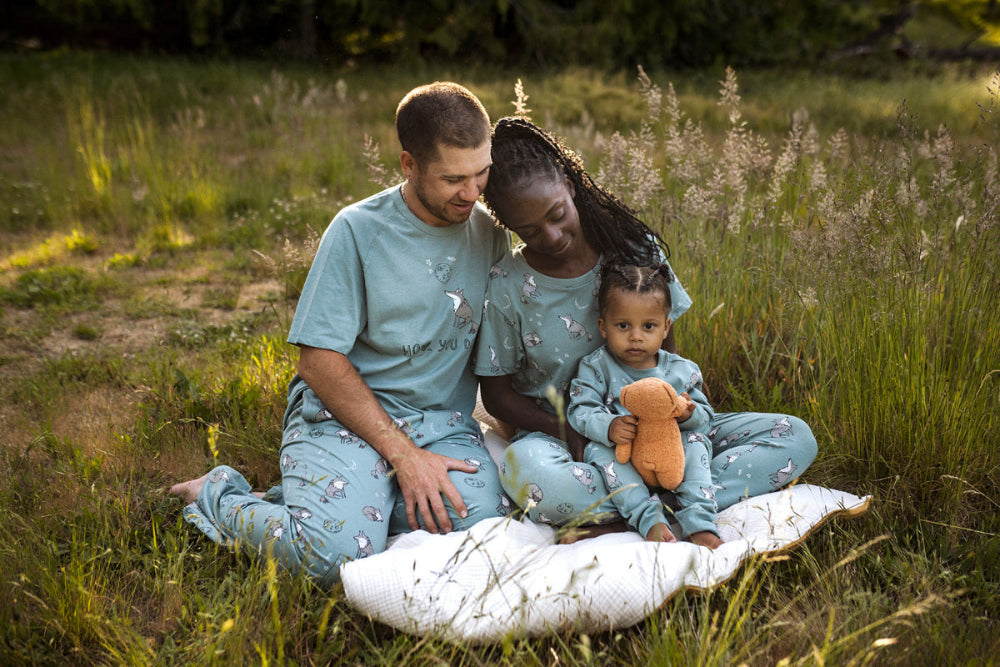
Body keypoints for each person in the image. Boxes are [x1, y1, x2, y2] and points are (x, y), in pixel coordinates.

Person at [170, 82, 512, 585]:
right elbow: (318, 362)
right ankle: (217, 494)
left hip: (440, 421)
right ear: (408, 166)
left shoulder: (490, 235)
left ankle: (319, 499)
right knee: (335, 558)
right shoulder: (356, 231)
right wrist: (404, 457)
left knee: (480, 527)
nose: (472, 192)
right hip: (342, 416)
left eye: (482, 173)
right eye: (453, 179)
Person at [473, 116, 817, 546]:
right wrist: (572, 433)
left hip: (664, 425)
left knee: (795, 437)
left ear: (568, 182)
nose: (553, 234)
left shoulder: (633, 249)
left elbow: (666, 351)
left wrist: (680, 415)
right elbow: (497, 396)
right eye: (529, 230)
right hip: (574, 441)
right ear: (507, 227)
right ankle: (676, 502)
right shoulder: (508, 285)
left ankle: (641, 509)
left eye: (557, 214)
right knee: (526, 473)